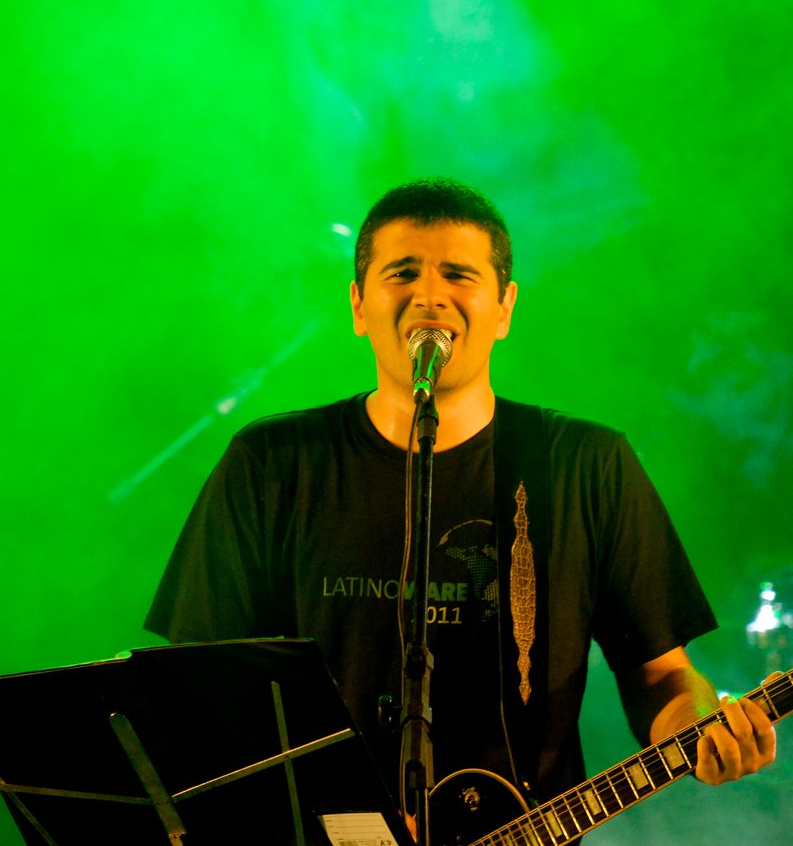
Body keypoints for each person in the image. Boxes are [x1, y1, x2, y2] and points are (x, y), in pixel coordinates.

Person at [144, 178, 777, 835]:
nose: (430, 296)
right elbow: (199, 692)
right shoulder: (272, 464)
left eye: (458, 274)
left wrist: (705, 725)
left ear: (504, 308)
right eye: (403, 272)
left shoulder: (587, 465)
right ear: (359, 305)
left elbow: (662, 677)